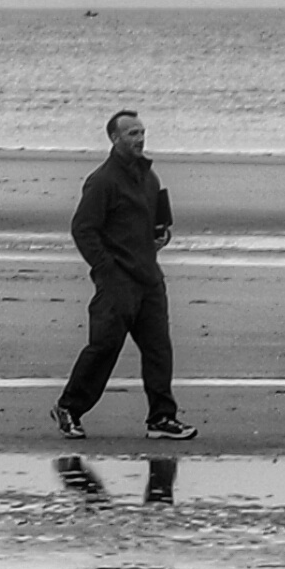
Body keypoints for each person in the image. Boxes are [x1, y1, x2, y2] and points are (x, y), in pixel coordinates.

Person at [53, 108, 197, 441]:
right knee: (104, 348)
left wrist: (160, 238)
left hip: (148, 278)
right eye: (133, 134)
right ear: (114, 138)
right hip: (117, 282)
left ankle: (162, 418)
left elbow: (153, 227)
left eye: (142, 132)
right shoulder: (102, 181)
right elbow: (83, 228)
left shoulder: (149, 178)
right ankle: (69, 408)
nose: (140, 139)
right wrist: (106, 268)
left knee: (159, 350)